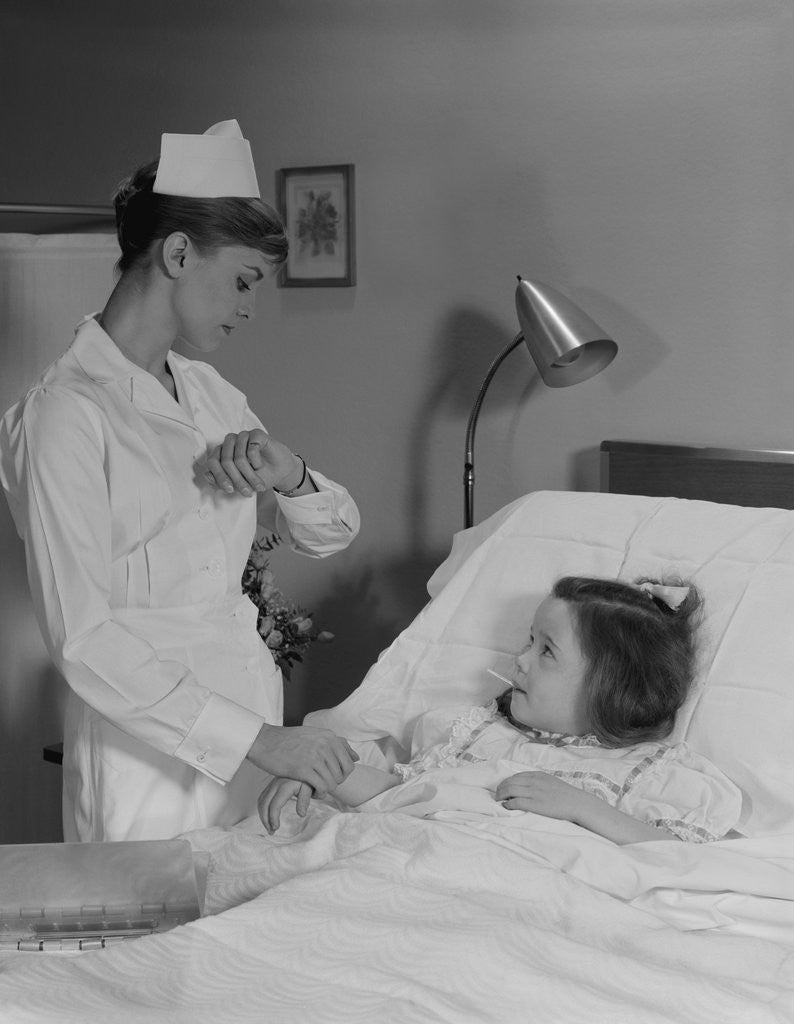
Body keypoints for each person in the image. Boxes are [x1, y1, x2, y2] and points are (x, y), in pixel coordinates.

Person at [0, 120, 361, 842]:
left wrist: (287, 473)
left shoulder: (209, 393)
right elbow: (82, 638)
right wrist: (258, 740)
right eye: (243, 281)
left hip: (249, 712)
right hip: (147, 753)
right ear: (176, 252)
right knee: (154, 940)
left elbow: (334, 533)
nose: (250, 307)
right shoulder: (65, 414)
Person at [258, 576, 743, 845]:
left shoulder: (651, 774)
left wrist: (583, 809)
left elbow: (685, 860)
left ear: (614, 688)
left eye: (546, 650)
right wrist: (323, 770)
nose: (521, 659)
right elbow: (406, 794)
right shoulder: (472, 734)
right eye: (528, 641)